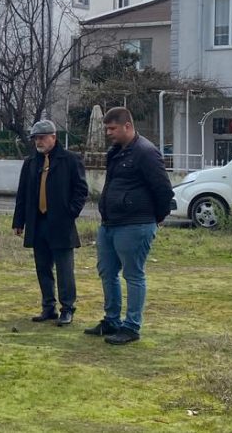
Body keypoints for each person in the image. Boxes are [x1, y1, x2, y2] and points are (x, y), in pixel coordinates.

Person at [85, 107, 174, 345]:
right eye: (106, 129)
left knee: (133, 275)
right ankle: (111, 320)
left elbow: (163, 189)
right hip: (110, 224)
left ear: (127, 126)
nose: (108, 133)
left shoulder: (146, 152)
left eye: (112, 128)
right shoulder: (115, 152)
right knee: (107, 271)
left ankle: (132, 326)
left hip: (135, 224)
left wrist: (157, 217)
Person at [12, 119, 88, 326]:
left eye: (43, 137)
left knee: (64, 270)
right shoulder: (30, 163)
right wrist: (19, 221)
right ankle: (48, 307)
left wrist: (70, 213)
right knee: (42, 267)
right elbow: (22, 194)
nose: (39, 141)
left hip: (61, 224)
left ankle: (67, 308)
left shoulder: (70, 160)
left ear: (53, 137)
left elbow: (81, 191)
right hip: (38, 223)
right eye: (36, 138)